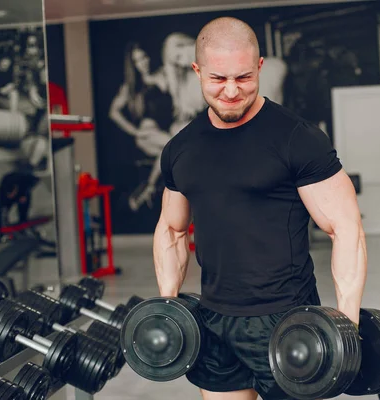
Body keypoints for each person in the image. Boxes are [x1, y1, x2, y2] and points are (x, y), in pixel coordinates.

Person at [153, 17, 367, 400]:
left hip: (286, 320)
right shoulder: (181, 148)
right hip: (213, 319)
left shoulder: (297, 138)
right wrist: (169, 305)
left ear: (260, 67)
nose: (232, 91)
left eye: (245, 77)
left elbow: (345, 227)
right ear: (197, 71)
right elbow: (172, 229)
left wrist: (346, 323)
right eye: (218, 78)